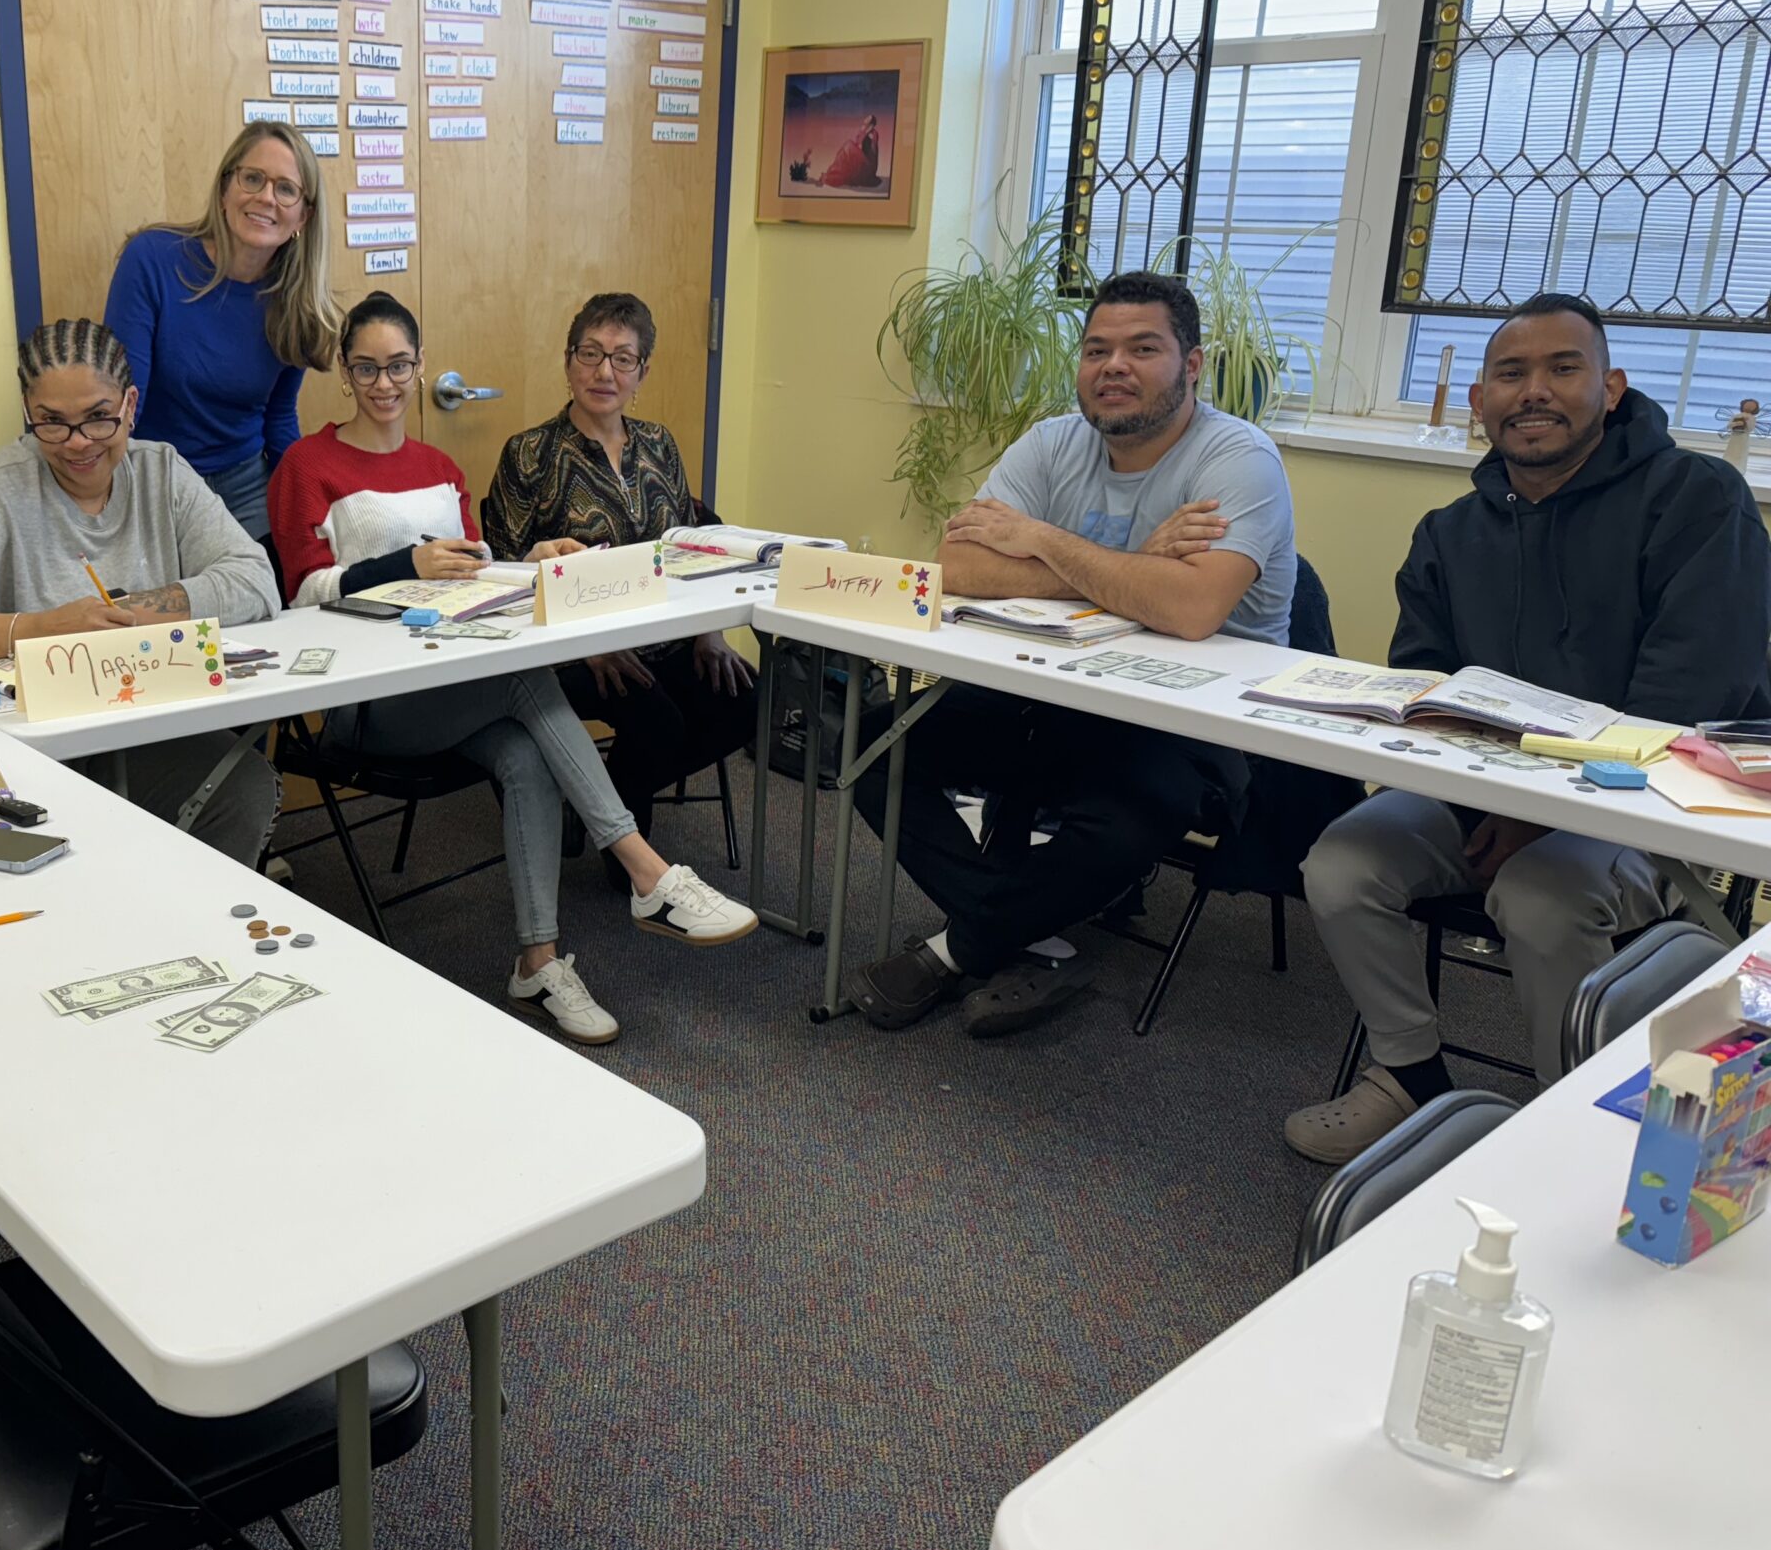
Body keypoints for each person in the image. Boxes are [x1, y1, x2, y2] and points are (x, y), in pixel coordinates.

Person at [1288, 293, 1771, 1162]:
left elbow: (1689, 694)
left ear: (1611, 389)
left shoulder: (1699, 501)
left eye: (1563, 368)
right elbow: (1427, 690)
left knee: (1542, 896)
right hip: (1486, 793)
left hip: (1647, 802)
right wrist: (1497, 803)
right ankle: (1411, 1076)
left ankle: (1572, 1123)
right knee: (1342, 861)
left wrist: (1540, 814)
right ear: (1481, 401)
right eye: (1510, 374)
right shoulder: (1449, 532)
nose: (1534, 390)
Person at [267, 291, 759, 1042]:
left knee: (528, 751)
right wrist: (404, 565)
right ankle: (647, 872)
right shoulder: (308, 463)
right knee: (531, 682)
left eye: (398, 365)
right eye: (366, 367)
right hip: (367, 702)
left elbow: (476, 575)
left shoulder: (438, 467)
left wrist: (529, 561)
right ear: (344, 370)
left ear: (420, 366)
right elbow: (301, 592)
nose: (384, 382)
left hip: (454, 683)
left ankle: (538, 965)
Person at [849, 268, 1298, 1037]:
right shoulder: (1052, 442)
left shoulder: (1238, 459)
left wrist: (1043, 540)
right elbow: (955, 565)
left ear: (1191, 366)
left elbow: (1189, 609)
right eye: (1097, 351)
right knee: (874, 748)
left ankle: (960, 948)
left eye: (1142, 349)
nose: (1113, 367)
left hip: (1191, 720)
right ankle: (1032, 938)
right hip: (1059, 694)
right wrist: (1133, 568)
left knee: (1129, 816)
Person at [0, 317, 283, 863]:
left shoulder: (161, 472)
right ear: (27, 412)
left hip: (149, 726)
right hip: (33, 745)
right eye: (53, 423)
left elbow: (255, 579)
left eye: (98, 418)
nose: (78, 442)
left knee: (243, 790)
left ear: (130, 405)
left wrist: (132, 613)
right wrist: (38, 628)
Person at [479, 291, 758, 863]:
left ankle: (599, 800)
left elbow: (687, 547)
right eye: (590, 353)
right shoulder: (529, 454)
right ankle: (628, 856)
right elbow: (502, 577)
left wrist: (708, 632)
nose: (604, 372)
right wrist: (589, 646)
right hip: (567, 650)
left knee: (746, 698)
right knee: (656, 718)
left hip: (663, 635)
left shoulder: (659, 445)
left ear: (641, 373)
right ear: (568, 362)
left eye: (623, 358)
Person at [103, 121, 337, 542]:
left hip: (246, 489)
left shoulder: (297, 300)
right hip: (157, 479)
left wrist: (305, 504)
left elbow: (279, 417)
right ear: (226, 188)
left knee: (274, 582)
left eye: (286, 189)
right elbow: (124, 408)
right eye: (253, 178)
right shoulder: (152, 260)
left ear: (304, 215)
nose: (266, 197)